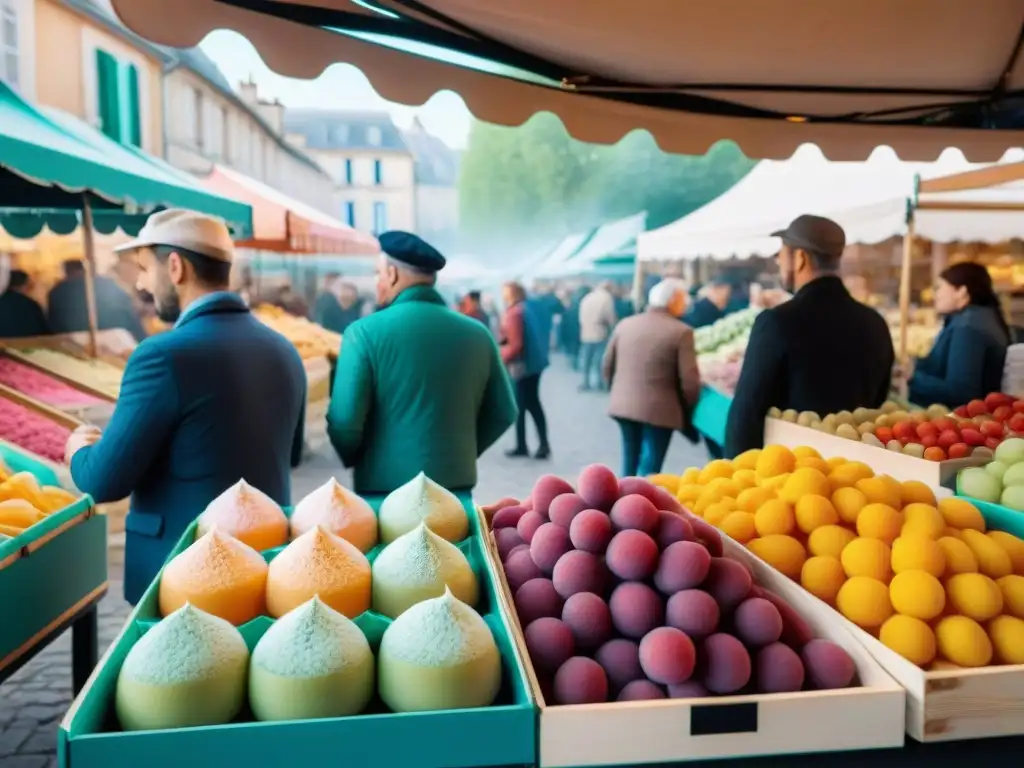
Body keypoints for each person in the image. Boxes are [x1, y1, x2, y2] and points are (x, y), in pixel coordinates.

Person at [64, 210, 306, 605]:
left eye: (144, 268)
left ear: (175, 266)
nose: (141, 283)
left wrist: (78, 450)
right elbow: (290, 455)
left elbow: (103, 480)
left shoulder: (161, 355)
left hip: (182, 577)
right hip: (265, 569)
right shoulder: (282, 349)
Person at [327, 231, 518, 493]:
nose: (377, 281)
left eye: (377, 273)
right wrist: (457, 454)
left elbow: (345, 422)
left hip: (385, 493)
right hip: (454, 493)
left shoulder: (362, 334)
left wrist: (362, 460)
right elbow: (503, 412)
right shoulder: (478, 334)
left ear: (392, 274)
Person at [725, 215, 894, 457]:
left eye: (781, 255)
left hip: (794, 475)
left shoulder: (777, 322)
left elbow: (746, 415)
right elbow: (878, 401)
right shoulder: (875, 323)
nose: (779, 263)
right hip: (856, 475)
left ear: (800, 258)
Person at [603, 279, 701, 477]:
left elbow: (607, 365)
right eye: (682, 299)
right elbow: (690, 381)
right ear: (672, 301)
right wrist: (687, 408)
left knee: (629, 460)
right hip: (661, 410)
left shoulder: (625, 324)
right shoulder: (681, 331)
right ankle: (639, 503)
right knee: (650, 467)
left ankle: (623, 501)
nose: (685, 304)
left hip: (623, 404)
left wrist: (616, 391)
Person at [907, 262, 1010, 407]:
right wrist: (916, 365)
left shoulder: (969, 327)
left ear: (961, 291)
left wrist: (912, 378)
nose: (935, 295)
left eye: (939, 288)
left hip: (963, 422)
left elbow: (961, 392)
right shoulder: (977, 319)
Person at [500, 282, 551, 460]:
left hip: (523, 366)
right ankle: (534, 444)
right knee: (528, 405)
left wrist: (500, 355)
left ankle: (531, 445)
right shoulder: (524, 309)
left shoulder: (515, 312)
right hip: (532, 364)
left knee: (526, 405)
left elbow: (515, 344)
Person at [48, 259, 147, 341]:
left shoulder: (57, 291)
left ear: (66, 272)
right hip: (119, 339)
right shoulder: (108, 285)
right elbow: (130, 314)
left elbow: (54, 324)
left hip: (76, 343)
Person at [578, 280, 618, 391]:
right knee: (599, 359)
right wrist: (613, 327)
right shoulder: (606, 298)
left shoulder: (587, 297)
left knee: (586, 358)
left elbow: (581, 316)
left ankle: (585, 382)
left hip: (586, 332)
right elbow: (610, 317)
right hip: (600, 332)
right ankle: (600, 383)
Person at [0, 270, 48, 337]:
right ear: (22, 286)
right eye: (29, 285)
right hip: (29, 345)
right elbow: (44, 331)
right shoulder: (30, 304)